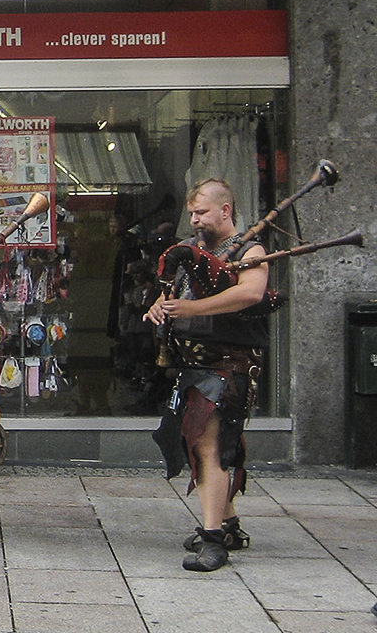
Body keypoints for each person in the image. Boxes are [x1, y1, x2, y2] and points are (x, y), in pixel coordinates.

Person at [145, 178, 269, 572]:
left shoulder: (252, 250)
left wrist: (192, 311)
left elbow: (251, 294)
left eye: (201, 212)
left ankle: (214, 539)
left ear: (225, 210)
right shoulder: (195, 251)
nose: (195, 220)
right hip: (194, 363)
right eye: (192, 213)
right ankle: (228, 524)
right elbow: (174, 293)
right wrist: (159, 308)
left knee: (209, 445)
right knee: (196, 444)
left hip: (230, 363)